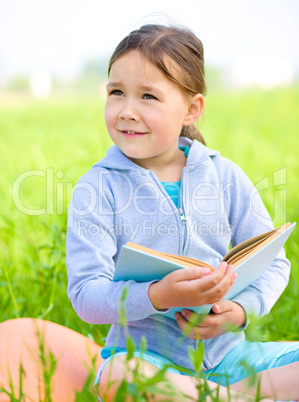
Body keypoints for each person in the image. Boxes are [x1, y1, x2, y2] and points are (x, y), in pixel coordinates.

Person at [66, 24, 299, 400]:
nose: (127, 111)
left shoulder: (223, 175)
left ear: (191, 109)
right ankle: (234, 396)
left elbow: (275, 263)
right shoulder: (97, 187)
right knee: (117, 374)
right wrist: (159, 295)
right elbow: (85, 293)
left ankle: (221, 392)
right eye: (117, 92)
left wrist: (239, 312)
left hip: (231, 356)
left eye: (148, 97)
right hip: (145, 359)